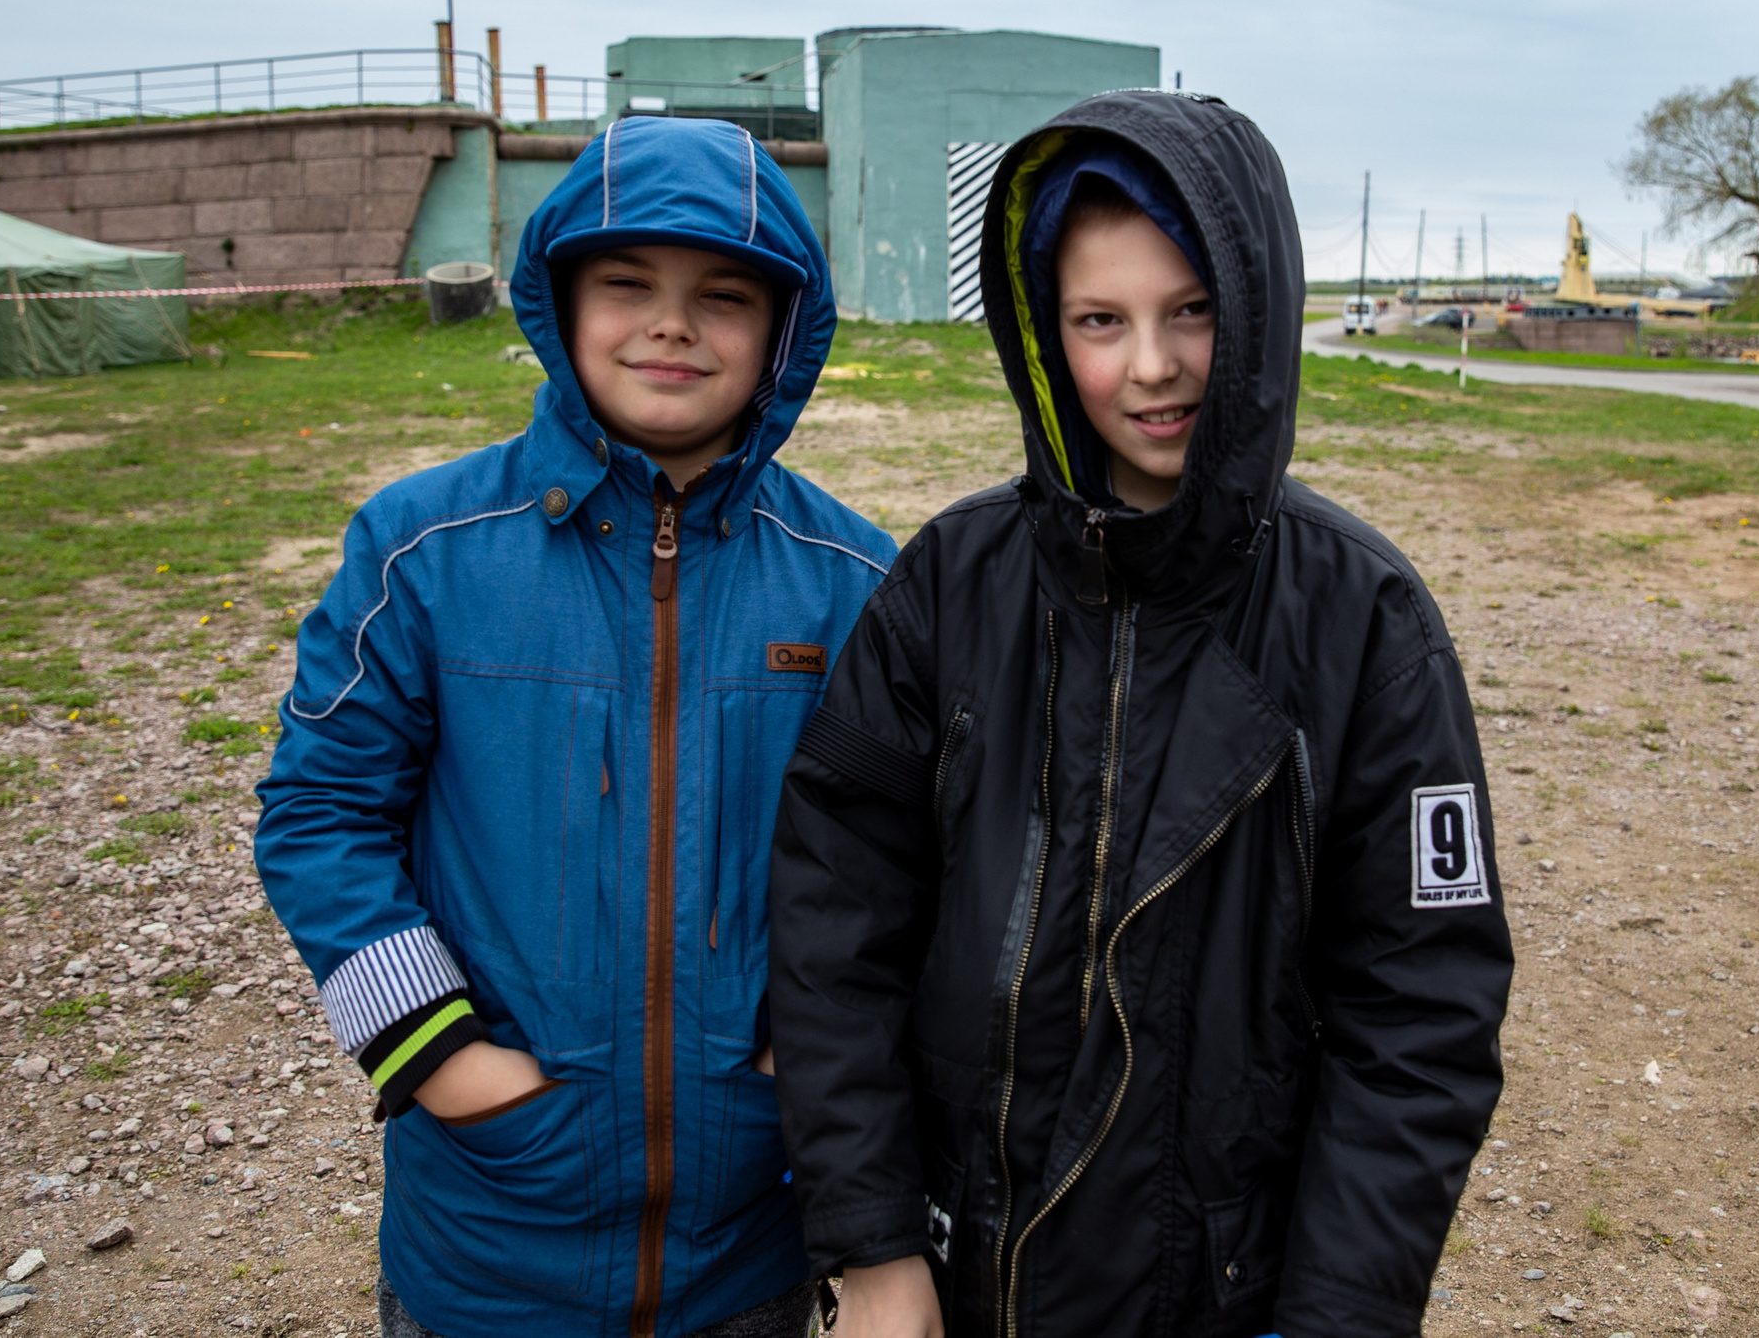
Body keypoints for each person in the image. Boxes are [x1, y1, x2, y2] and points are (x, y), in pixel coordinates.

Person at [769, 92, 1514, 1338]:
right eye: (1100, 321)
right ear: (1043, 335)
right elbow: (833, 924)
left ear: (1260, 312)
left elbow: (1422, 1015)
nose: (1151, 367)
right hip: (954, 1282)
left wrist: (1337, 1314)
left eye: (1192, 312)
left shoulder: (1363, 618)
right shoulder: (950, 583)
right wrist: (873, 1240)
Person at [257, 116, 897, 1338]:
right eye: (626, 285)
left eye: (723, 295)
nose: (672, 324)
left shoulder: (854, 579)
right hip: (490, 1230)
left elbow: (900, 856)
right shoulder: (422, 548)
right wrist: (440, 1059)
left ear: (783, 332)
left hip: (747, 1232)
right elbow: (318, 812)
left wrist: (797, 1071)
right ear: (557, 301)